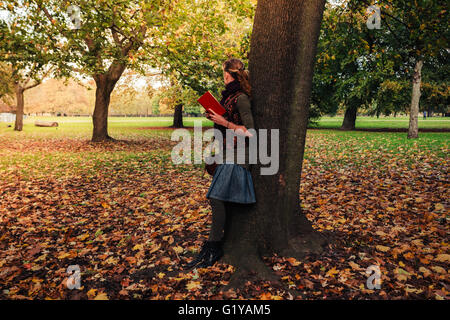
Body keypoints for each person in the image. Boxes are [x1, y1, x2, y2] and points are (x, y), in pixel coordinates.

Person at [185, 58, 256, 269]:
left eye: (223, 74)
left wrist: (224, 122)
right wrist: (215, 118)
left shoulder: (241, 98)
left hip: (240, 155)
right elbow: (228, 127)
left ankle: (213, 248)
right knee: (218, 199)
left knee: (215, 198)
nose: (222, 77)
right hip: (227, 153)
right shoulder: (228, 98)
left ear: (228, 74)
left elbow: (251, 132)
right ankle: (212, 247)